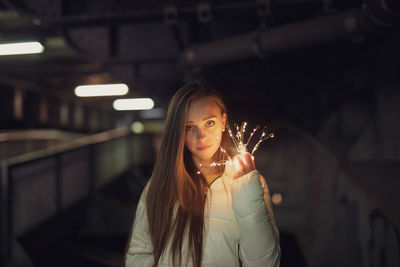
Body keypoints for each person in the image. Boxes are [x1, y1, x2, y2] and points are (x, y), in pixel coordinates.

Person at [125, 80, 280, 267]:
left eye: (209, 123)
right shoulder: (161, 184)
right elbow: (138, 255)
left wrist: (247, 196)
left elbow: (265, 263)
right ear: (179, 131)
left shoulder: (248, 183)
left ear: (223, 121)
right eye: (189, 127)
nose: (201, 137)